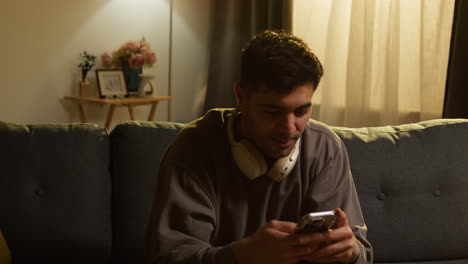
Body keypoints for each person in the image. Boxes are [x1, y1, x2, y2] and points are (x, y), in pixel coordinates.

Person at [144, 30, 373, 264]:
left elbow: (361, 253)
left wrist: (351, 252)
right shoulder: (193, 149)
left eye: (301, 111)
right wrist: (241, 257)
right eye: (273, 112)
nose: (289, 128)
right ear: (241, 97)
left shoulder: (325, 148)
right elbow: (170, 258)